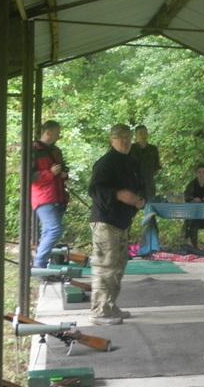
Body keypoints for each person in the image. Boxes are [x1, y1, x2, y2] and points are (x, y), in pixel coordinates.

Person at [88, 124, 145, 325]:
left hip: (123, 221)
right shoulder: (105, 163)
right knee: (106, 266)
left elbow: (141, 187)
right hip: (105, 221)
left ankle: (110, 305)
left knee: (118, 266)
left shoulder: (132, 162)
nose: (125, 141)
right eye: (121, 138)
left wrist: (140, 200)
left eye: (128, 137)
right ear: (111, 140)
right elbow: (95, 190)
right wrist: (118, 195)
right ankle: (99, 311)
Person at [31, 120, 69, 268]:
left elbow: (63, 169)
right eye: (58, 133)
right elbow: (29, 176)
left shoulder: (56, 151)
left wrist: (64, 173)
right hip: (43, 197)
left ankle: (41, 265)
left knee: (48, 231)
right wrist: (50, 173)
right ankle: (39, 264)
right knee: (54, 229)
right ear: (48, 133)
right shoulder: (33, 150)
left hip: (58, 196)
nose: (59, 136)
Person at [129, 125, 161, 201]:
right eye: (140, 133)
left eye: (145, 133)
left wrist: (148, 174)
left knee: (150, 205)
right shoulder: (131, 148)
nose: (143, 135)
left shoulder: (153, 149)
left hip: (149, 185)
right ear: (136, 135)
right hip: (134, 186)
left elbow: (156, 167)